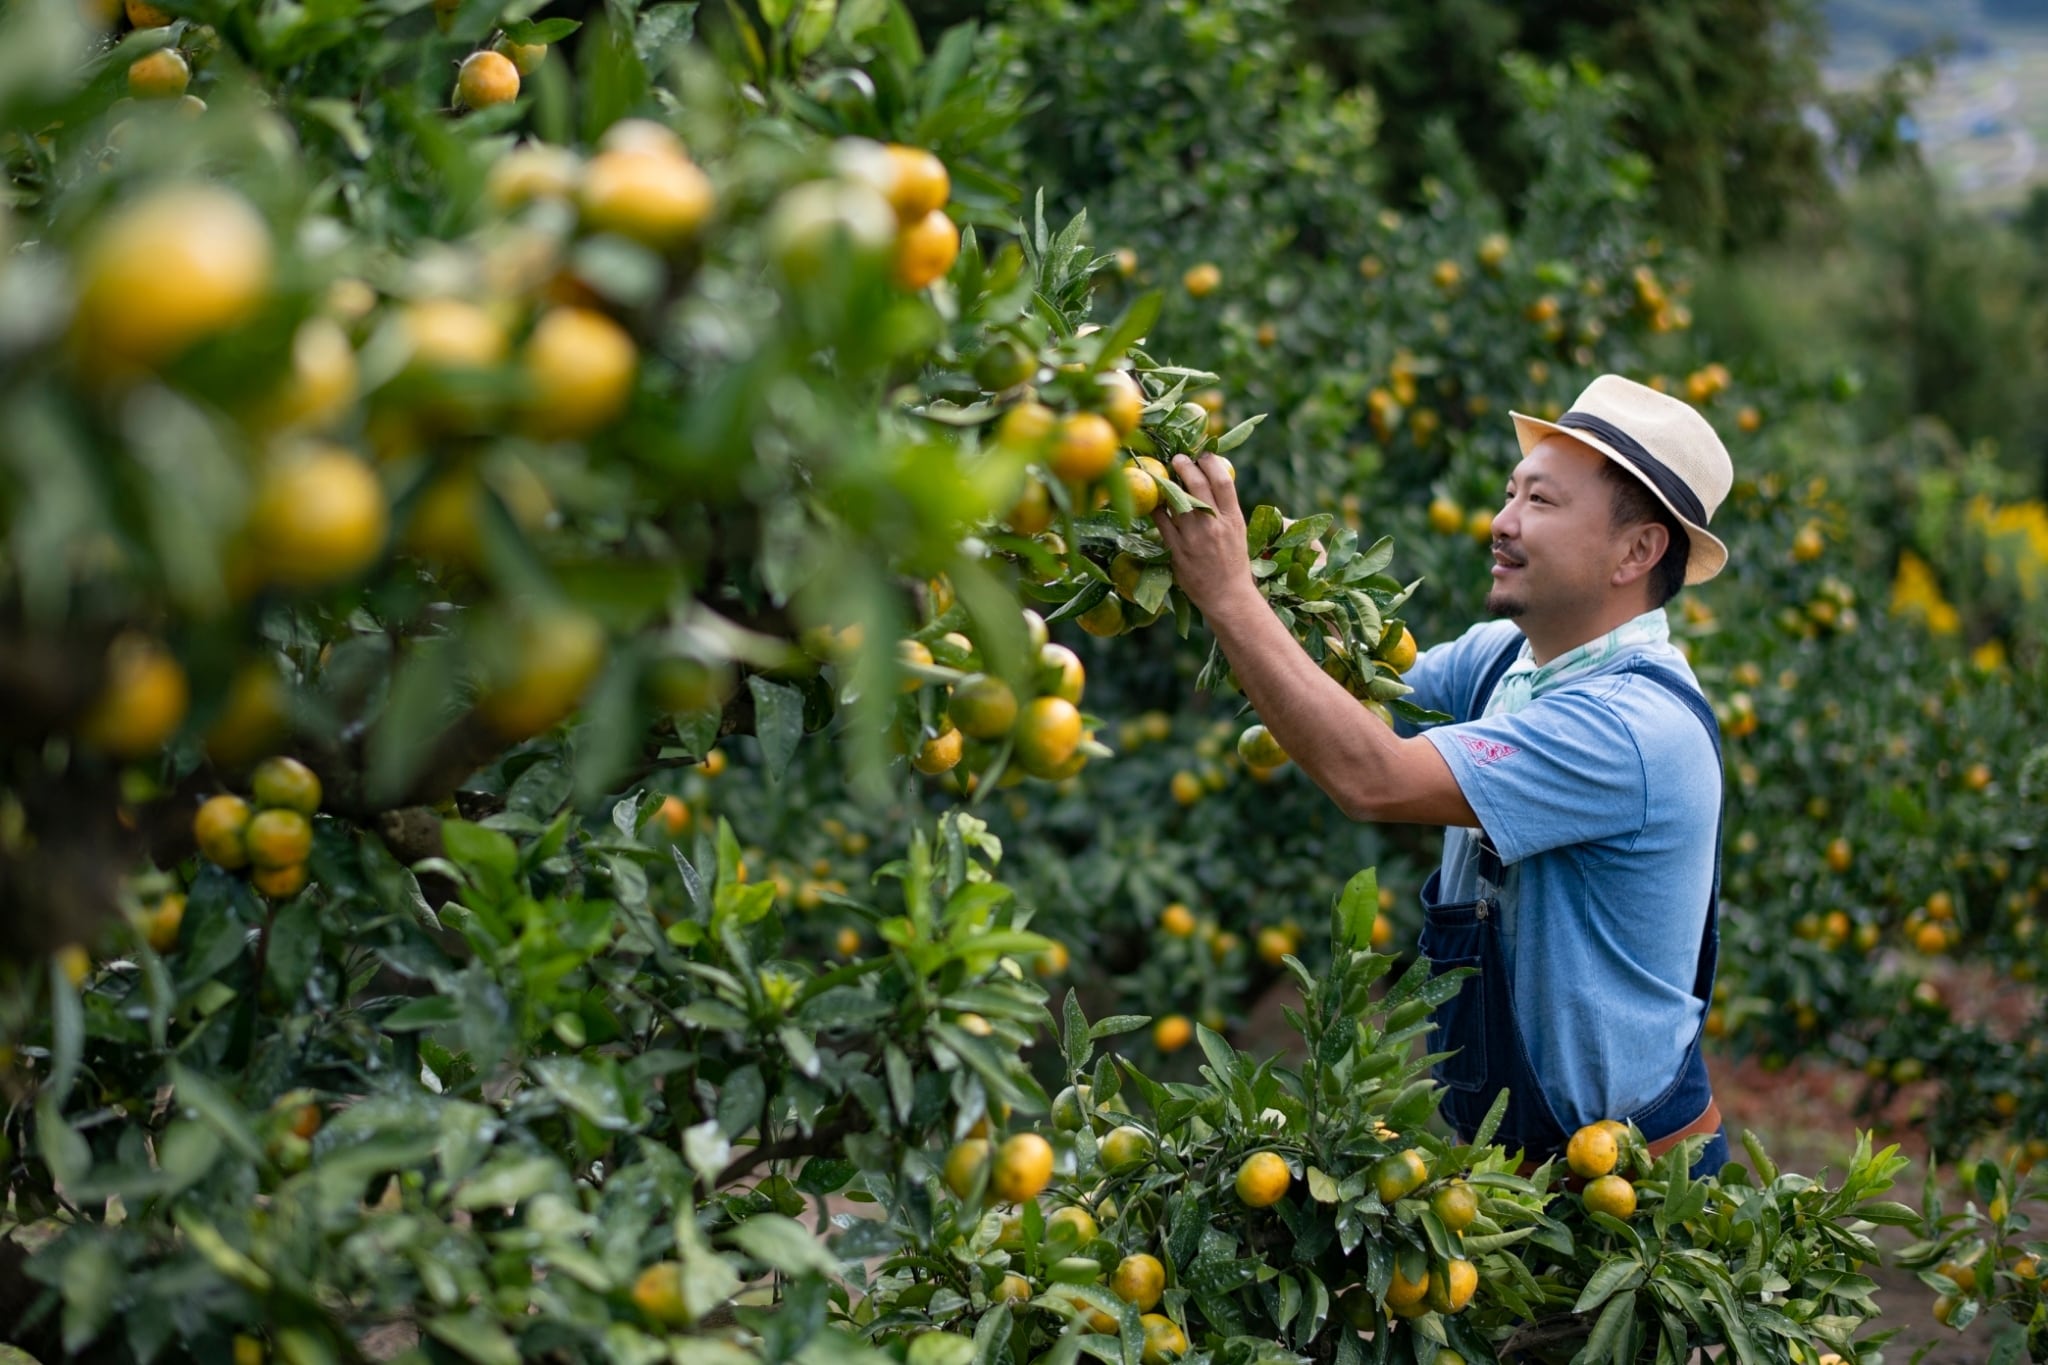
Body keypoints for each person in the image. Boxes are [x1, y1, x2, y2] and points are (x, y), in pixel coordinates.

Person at [1152, 373, 1732, 1175]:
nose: (1502, 521)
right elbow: (1357, 695)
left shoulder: (1630, 729)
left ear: (1637, 550)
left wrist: (1229, 595)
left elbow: (1373, 775)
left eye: (1541, 501)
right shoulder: (1506, 661)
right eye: (1510, 493)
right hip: (1506, 1173)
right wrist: (1295, 595)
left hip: (1626, 1193)